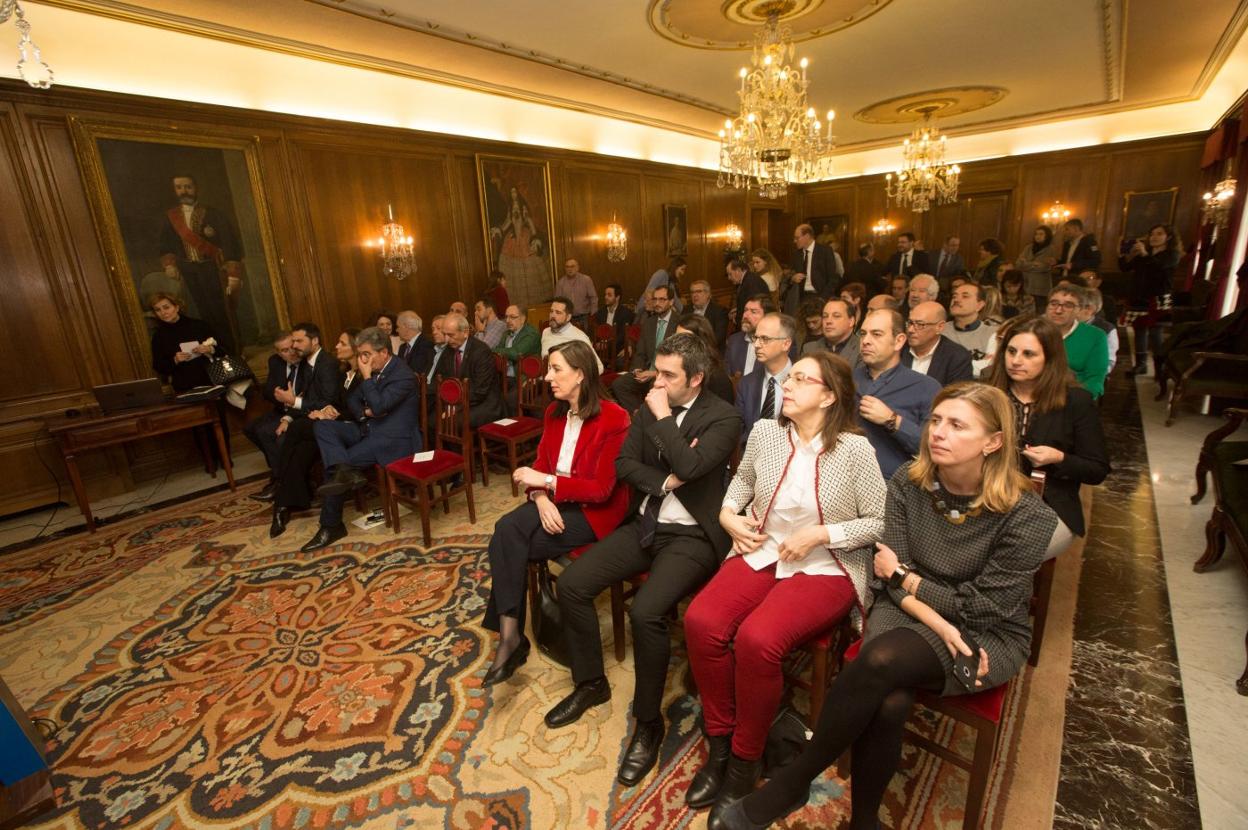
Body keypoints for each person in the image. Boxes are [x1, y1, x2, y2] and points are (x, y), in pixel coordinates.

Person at [713, 382, 1059, 830]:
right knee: (890, 697)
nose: (937, 432)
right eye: (935, 421)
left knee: (880, 662)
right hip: (905, 611)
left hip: (985, 636)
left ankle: (793, 781)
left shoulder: (1028, 515)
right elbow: (887, 581)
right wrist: (924, 603)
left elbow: (982, 608)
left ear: (993, 442)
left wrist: (907, 579)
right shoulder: (908, 483)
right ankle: (864, 822)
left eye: (957, 425)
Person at [685, 352, 885, 813]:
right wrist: (727, 515)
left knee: (757, 640)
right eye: (788, 377)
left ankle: (744, 763)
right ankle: (719, 744)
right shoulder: (765, 433)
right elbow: (740, 486)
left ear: (830, 396)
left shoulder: (854, 449)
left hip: (826, 564)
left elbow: (879, 521)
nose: (788, 385)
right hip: (763, 549)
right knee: (701, 621)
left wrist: (824, 533)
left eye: (801, 379)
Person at [547, 334, 742, 788]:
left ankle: (649, 723)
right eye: (657, 370)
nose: (657, 381)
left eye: (669, 375)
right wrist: (665, 481)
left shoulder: (723, 417)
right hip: (646, 523)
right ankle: (591, 682)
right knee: (572, 584)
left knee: (646, 611)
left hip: (693, 536)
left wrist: (662, 422)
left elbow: (692, 469)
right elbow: (624, 465)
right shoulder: (650, 408)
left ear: (695, 378)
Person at [481, 341, 632, 685]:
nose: (548, 377)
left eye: (556, 369)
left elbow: (601, 489)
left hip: (595, 514)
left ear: (580, 374)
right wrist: (541, 498)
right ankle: (510, 636)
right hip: (555, 502)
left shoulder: (614, 417)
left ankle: (510, 638)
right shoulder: (553, 413)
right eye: (549, 369)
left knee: (508, 541)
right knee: (508, 533)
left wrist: (546, 482)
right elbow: (540, 464)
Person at [986, 316, 1109, 544]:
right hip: (987, 496)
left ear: (1050, 359)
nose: (1015, 361)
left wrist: (1058, 458)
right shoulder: (987, 392)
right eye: (1011, 351)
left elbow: (1097, 469)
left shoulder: (1075, 401)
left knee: (1013, 548)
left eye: (1028, 354)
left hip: (1049, 503)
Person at [305, 327, 421, 551]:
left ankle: (331, 525)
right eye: (360, 355)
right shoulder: (377, 369)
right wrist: (365, 413)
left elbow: (376, 405)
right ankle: (344, 471)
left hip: (394, 439)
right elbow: (353, 400)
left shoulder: (403, 375)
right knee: (323, 427)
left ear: (384, 353)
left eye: (366, 354)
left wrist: (366, 379)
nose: (362, 360)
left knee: (339, 466)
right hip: (369, 428)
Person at [268, 328, 354, 538]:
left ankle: (279, 488)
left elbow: (330, 399)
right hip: (323, 420)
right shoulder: (310, 364)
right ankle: (283, 503)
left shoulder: (328, 364)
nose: (295, 345)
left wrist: (293, 403)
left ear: (314, 340)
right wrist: (289, 414)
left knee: (297, 430)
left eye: (298, 341)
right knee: (301, 449)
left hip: (335, 423)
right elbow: (311, 397)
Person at [157, 174, 243, 356]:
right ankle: (214, 352)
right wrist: (170, 265)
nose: (184, 191)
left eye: (188, 186)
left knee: (221, 312)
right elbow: (165, 244)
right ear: (175, 190)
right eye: (179, 187)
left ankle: (232, 351)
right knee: (202, 314)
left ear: (196, 188)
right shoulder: (171, 217)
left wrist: (233, 274)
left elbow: (229, 243)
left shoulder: (214, 213)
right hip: (188, 270)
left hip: (213, 269)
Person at [854, 308, 942, 478]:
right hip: (842, 483)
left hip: (895, 488)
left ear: (899, 341)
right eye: (863, 334)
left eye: (877, 334)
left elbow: (932, 447)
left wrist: (892, 420)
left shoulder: (925, 387)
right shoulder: (847, 380)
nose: (866, 341)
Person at [1119, 223, 1181, 376]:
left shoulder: (1172, 254)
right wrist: (1121, 253)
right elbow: (1125, 268)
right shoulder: (1144, 254)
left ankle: (1160, 367)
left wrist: (1146, 254)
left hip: (1159, 298)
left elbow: (1158, 268)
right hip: (1139, 297)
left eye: (1159, 234)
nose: (1154, 237)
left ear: (1169, 237)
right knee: (1139, 330)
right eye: (1152, 234)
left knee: (1156, 332)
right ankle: (1141, 365)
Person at [244, 332, 304, 488]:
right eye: (285, 350)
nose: (291, 352)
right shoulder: (275, 362)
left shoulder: (306, 363)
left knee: (267, 432)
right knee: (250, 428)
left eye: (292, 347)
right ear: (278, 353)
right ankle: (278, 466)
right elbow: (268, 390)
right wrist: (280, 396)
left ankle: (280, 480)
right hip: (281, 408)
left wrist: (291, 400)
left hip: (299, 411)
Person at [431, 313, 504, 427]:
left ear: (465, 332)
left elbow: (480, 391)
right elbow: (442, 378)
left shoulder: (481, 351)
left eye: (450, 335)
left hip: (484, 404)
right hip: (458, 401)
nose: (446, 339)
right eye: (444, 334)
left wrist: (457, 406)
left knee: (452, 423)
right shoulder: (448, 350)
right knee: (432, 419)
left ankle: (464, 445)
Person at [612, 283, 676, 412]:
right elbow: (640, 352)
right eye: (655, 299)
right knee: (618, 385)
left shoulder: (679, 323)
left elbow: (679, 360)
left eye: (662, 299)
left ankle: (648, 416)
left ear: (671, 302)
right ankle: (639, 412)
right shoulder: (649, 323)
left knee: (655, 387)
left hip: (667, 374)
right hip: (646, 371)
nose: (657, 303)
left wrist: (654, 374)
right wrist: (637, 369)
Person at [736, 313, 795, 447]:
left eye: (765, 339)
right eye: (756, 338)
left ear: (786, 344)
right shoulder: (747, 384)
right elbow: (739, 431)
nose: (756, 344)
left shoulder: (804, 382)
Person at [1045, 285, 1109, 398]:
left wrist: (1078, 401)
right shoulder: (1033, 331)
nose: (1058, 310)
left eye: (1068, 305)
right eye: (1053, 304)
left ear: (1079, 310)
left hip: (1072, 397)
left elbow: (1095, 380)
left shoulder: (1095, 336)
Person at [148, 292, 217, 392]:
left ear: (176, 307)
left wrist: (210, 349)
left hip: (212, 380)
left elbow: (225, 349)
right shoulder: (159, 336)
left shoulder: (199, 325)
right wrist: (175, 360)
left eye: (166, 307)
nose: (163, 312)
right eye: (158, 310)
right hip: (184, 387)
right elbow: (158, 366)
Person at [901, 301, 974, 386]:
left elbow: (958, 396)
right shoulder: (898, 348)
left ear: (940, 327)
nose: (910, 330)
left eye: (920, 324)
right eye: (910, 323)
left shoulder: (957, 357)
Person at [677, 314, 734, 404]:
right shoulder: (679, 367)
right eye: (677, 338)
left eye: (685, 339)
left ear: (702, 342)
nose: (678, 344)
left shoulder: (717, 379)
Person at [945, 283, 1000, 376]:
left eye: (965, 296)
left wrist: (950, 365)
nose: (956, 300)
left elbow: (989, 370)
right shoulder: (939, 330)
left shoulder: (993, 333)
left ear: (979, 305)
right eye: (954, 296)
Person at [541, 296, 601, 369]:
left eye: (558, 312)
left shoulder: (579, 337)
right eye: (551, 311)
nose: (552, 315)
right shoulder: (546, 332)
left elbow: (598, 367)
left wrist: (575, 378)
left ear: (568, 317)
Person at [494, 304, 541, 391]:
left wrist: (493, 350)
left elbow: (516, 353)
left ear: (522, 319)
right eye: (506, 317)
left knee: (508, 400)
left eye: (512, 317)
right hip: (504, 377)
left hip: (524, 379)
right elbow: (497, 351)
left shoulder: (531, 334)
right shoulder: (506, 333)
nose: (507, 320)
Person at [803, 297, 861, 367]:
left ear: (851, 321)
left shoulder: (862, 349)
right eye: (825, 316)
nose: (828, 321)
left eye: (836, 316)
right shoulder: (809, 349)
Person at [789, 224, 839, 299]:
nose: (794, 241)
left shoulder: (825, 251)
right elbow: (789, 273)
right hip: (801, 297)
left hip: (820, 296)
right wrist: (793, 278)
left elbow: (833, 279)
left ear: (807, 236)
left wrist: (823, 297)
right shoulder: (797, 254)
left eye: (797, 238)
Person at [1076, 288, 1119, 375]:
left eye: (1071, 306)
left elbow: (1108, 363)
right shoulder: (1062, 325)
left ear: (1089, 309)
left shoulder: (1106, 329)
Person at [1015, 226, 1058, 305]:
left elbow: (1044, 267)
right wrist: (1034, 264)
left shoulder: (1051, 249)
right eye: (1036, 234)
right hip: (1025, 285)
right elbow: (1018, 264)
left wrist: (1026, 264)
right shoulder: (1028, 247)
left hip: (1040, 288)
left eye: (1041, 234)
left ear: (1047, 236)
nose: (1037, 236)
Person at [594, 283, 635, 358]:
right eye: (605, 294)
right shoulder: (600, 313)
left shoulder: (626, 313)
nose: (606, 297)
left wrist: (607, 344)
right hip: (600, 349)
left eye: (609, 295)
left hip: (617, 348)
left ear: (617, 297)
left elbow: (623, 335)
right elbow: (596, 331)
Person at [728, 258, 769, 328]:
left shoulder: (752, 282)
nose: (729, 278)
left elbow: (755, 307)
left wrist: (739, 319)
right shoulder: (748, 279)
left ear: (738, 271)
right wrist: (738, 310)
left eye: (730, 274)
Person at [555, 258, 598, 324]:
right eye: (567, 267)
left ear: (577, 267)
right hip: (567, 319)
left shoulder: (586, 280)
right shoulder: (560, 283)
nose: (570, 269)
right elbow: (557, 302)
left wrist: (593, 315)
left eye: (572, 266)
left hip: (585, 318)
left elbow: (593, 298)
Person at [394, 311, 435, 377]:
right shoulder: (402, 348)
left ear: (406, 327)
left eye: (398, 326)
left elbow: (417, 371)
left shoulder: (426, 345)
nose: (397, 330)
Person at [689, 280, 729, 347]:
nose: (694, 295)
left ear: (708, 294)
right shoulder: (686, 310)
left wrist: (699, 348)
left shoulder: (719, 311)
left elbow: (718, 338)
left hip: (710, 350)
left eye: (699, 291)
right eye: (692, 292)